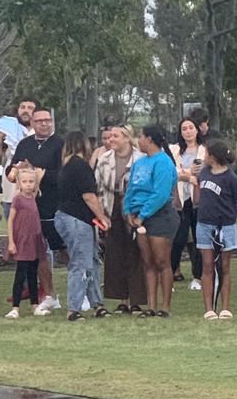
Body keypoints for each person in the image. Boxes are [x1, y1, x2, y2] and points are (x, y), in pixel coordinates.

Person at [8, 106, 65, 310]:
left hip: (55, 206)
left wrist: (40, 174)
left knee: (65, 249)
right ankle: (50, 294)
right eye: (40, 121)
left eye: (47, 120)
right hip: (30, 209)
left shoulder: (60, 144)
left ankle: (82, 292)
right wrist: (14, 171)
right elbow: (13, 168)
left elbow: (64, 174)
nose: (44, 124)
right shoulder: (25, 144)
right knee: (40, 253)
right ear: (32, 123)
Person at [54, 131, 112, 321]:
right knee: (81, 263)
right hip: (76, 220)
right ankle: (74, 308)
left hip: (68, 218)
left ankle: (97, 304)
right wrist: (102, 217)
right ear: (83, 145)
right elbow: (89, 196)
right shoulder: (80, 166)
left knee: (93, 261)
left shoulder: (66, 166)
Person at [123, 124, 178, 318]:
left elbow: (160, 193)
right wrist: (128, 211)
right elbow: (130, 188)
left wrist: (143, 215)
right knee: (148, 263)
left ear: (150, 139)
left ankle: (165, 306)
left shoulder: (162, 162)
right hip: (139, 216)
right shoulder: (139, 163)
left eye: (140, 136)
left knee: (162, 260)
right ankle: (152, 305)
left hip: (159, 216)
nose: (138, 140)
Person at [95, 124, 146, 313]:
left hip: (133, 210)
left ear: (127, 138)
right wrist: (102, 215)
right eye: (109, 137)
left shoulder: (140, 159)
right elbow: (98, 188)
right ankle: (121, 300)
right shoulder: (103, 159)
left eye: (116, 136)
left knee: (135, 254)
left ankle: (137, 301)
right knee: (115, 254)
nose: (111, 140)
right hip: (112, 208)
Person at [195, 140, 237, 320]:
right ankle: (209, 308)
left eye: (206, 153)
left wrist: (229, 213)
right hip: (204, 224)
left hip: (225, 226)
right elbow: (197, 199)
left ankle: (225, 307)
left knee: (224, 266)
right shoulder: (204, 173)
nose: (204, 156)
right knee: (207, 265)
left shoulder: (231, 178)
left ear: (213, 157)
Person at [5, 169, 48, 318]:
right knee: (20, 274)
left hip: (34, 240)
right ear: (19, 183)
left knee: (32, 274)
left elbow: (35, 192)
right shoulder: (18, 199)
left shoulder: (33, 197)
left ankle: (35, 305)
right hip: (22, 241)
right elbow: (11, 220)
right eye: (25, 182)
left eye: (31, 182)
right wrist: (11, 241)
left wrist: (39, 178)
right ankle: (15, 307)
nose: (28, 185)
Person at [169, 117, 206, 283]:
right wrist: (188, 174)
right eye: (184, 128)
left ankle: (198, 276)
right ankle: (169, 273)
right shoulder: (174, 150)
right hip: (180, 200)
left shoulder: (204, 150)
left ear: (197, 130)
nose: (188, 131)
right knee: (178, 237)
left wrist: (186, 174)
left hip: (199, 199)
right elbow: (172, 171)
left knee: (199, 237)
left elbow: (204, 173)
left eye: (191, 127)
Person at [0, 98, 35, 221]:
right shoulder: (9, 131)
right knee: (14, 235)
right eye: (22, 107)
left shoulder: (40, 134)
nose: (25, 111)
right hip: (10, 196)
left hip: (33, 196)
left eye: (30, 108)